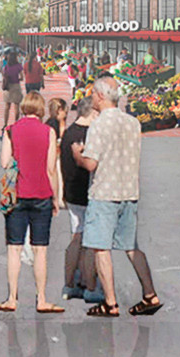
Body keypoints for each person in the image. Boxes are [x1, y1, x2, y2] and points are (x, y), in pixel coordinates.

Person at [72, 77, 162, 317]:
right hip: (129, 191)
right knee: (131, 246)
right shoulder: (133, 123)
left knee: (101, 248)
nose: (91, 98)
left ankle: (110, 303)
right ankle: (150, 294)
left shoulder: (99, 125)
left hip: (104, 193)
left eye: (93, 94)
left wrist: (78, 155)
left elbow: (91, 164)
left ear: (101, 96)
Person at [0, 92, 64, 314]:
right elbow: (51, 168)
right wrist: (55, 198)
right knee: (40, 249)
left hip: (17, 195)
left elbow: (5, 162)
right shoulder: (49, 132)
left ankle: (12, 297)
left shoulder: (11, 131)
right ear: (41, 109)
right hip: (41, 193)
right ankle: (41, 298)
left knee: (14, 248)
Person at [59, 100, 102, 304]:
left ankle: (69, 283)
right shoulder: (91, 134)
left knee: (76, 236)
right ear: (92, 112)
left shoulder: (68, 132)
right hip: (88, 193)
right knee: (88, 240)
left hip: (72, 192)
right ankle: (89, 283)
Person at [1, 53, 24, 127]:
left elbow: (4, 75)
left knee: (7, 106)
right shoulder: (18, 66)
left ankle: (5, 123)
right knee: (16, 105)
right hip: (16, 86)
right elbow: (22, 77)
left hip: (8, 87)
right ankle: (16, 122)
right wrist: (18, 79)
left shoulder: (6, 67)